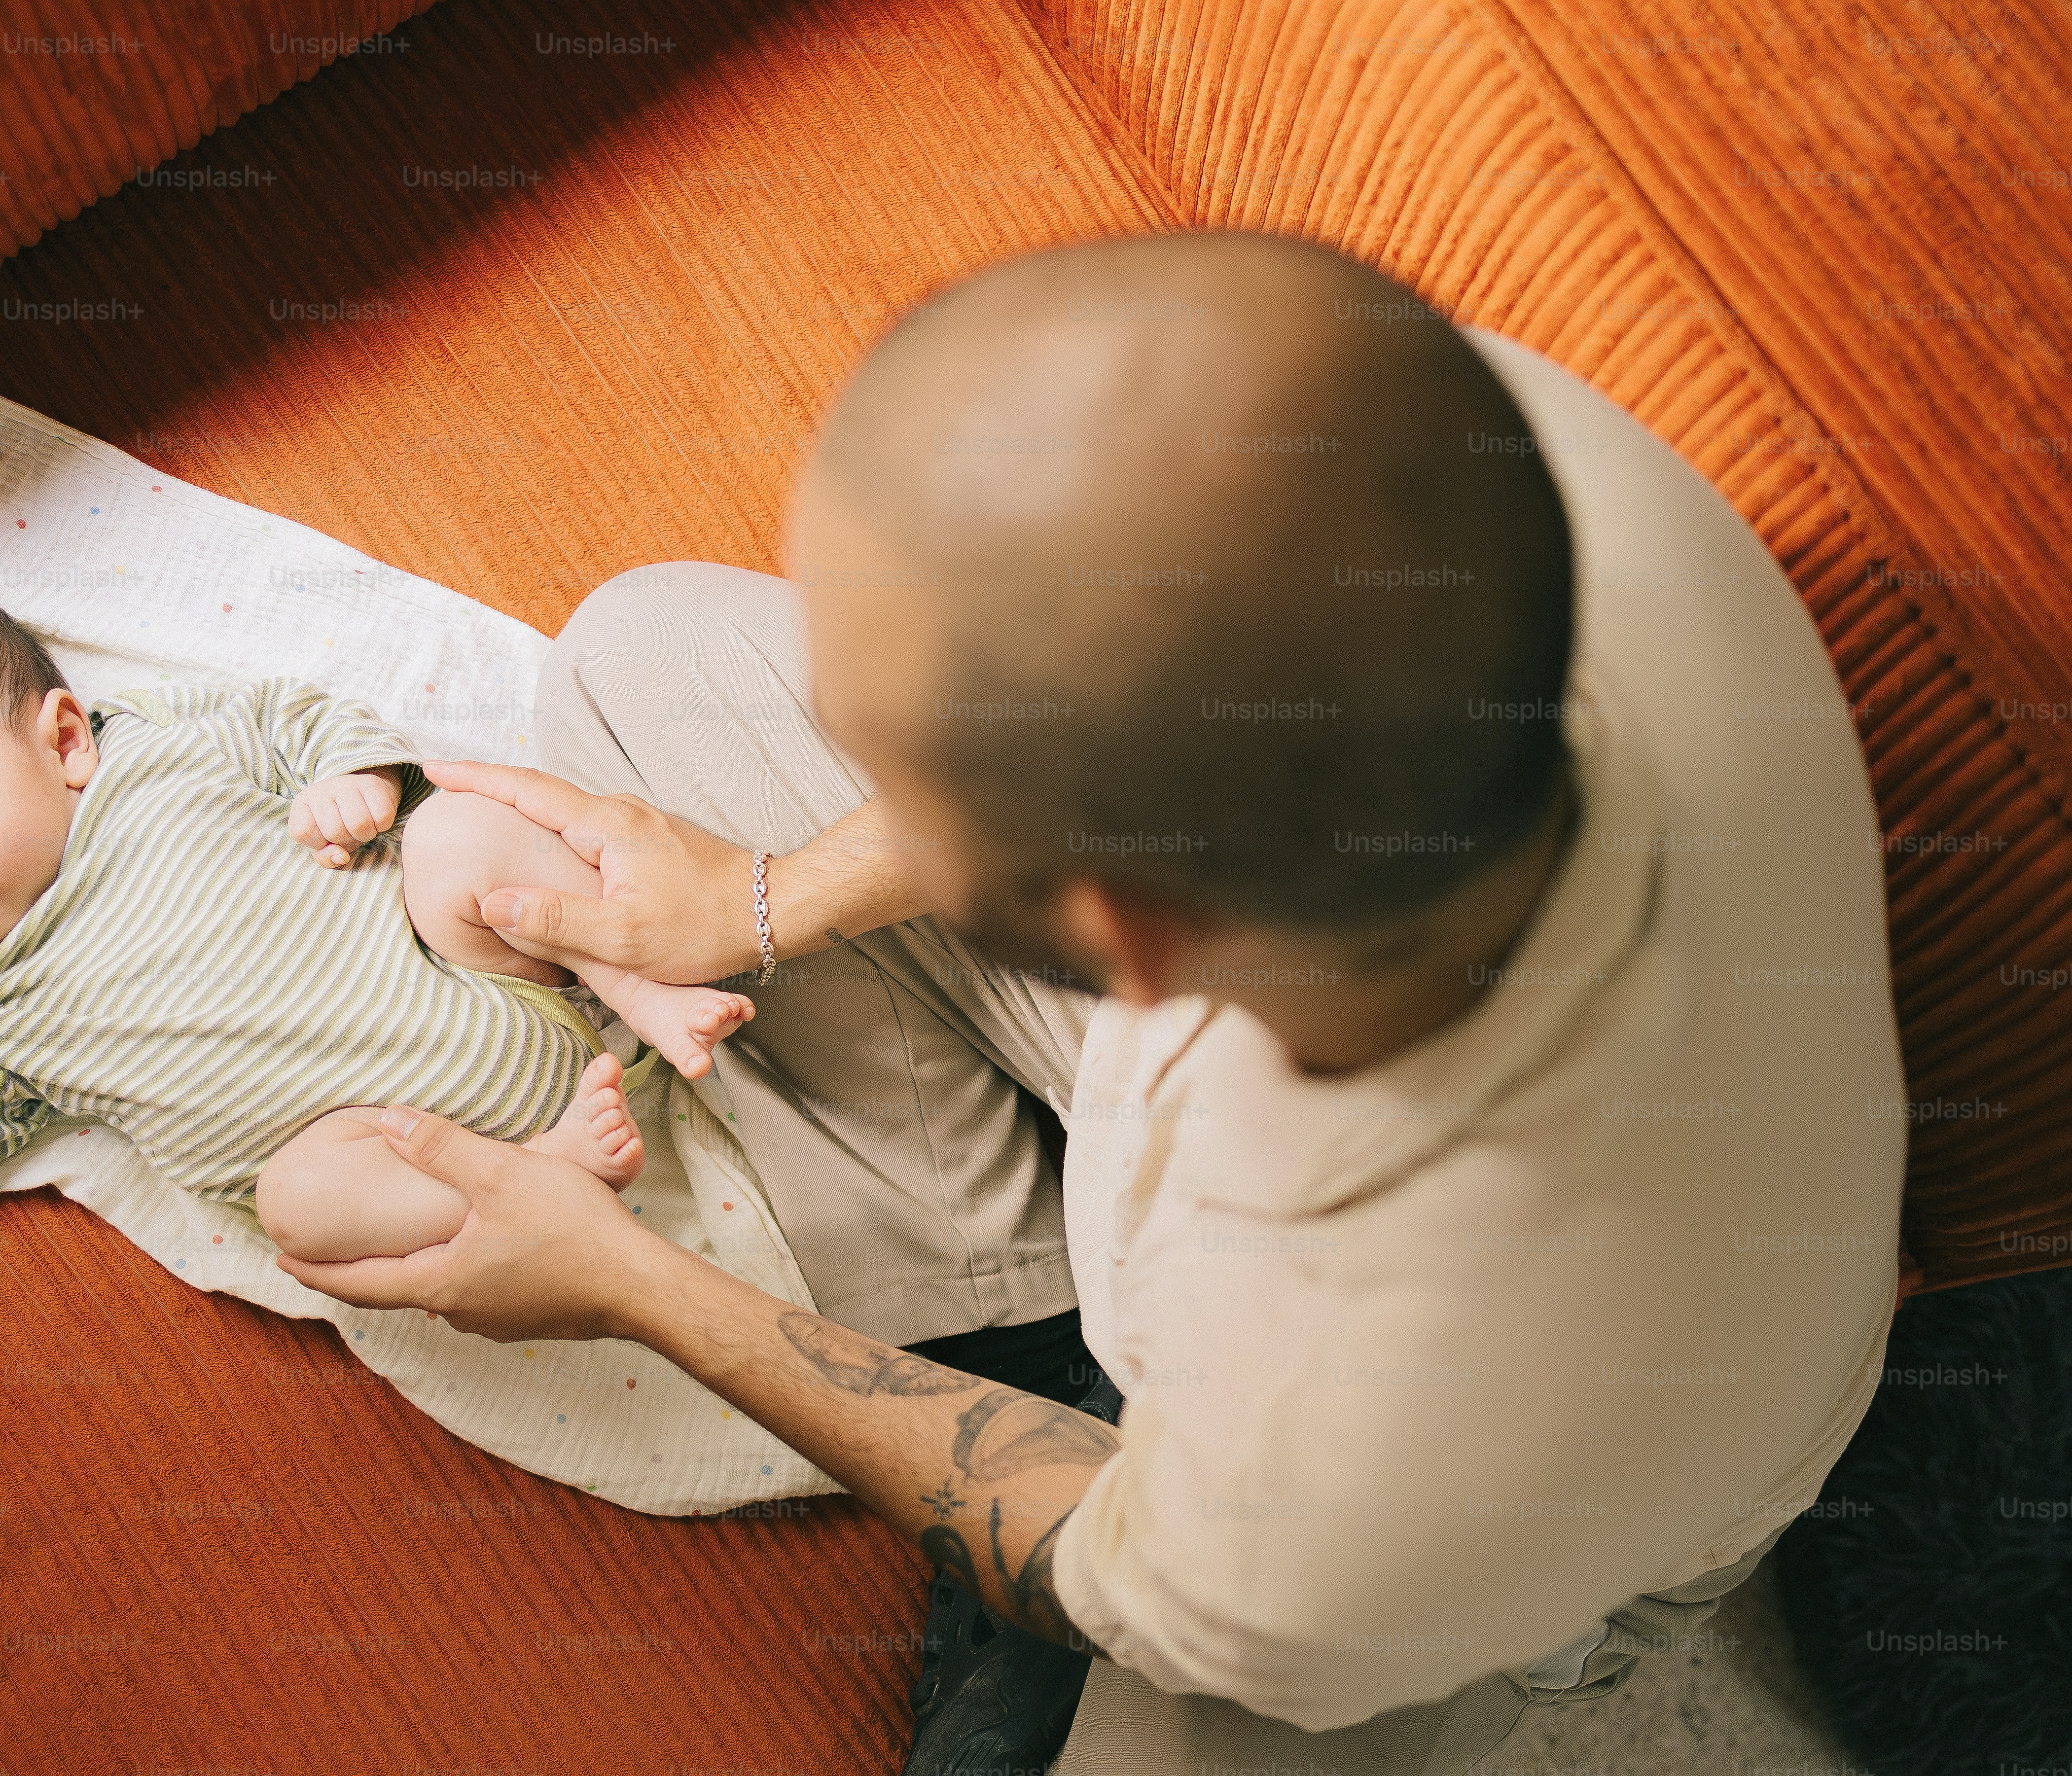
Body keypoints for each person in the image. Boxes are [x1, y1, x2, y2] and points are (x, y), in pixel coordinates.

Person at [278, 230, 1906, 1774]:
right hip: (1281, 1046)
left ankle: (1049, 1380)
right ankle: (1017, 1321)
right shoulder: (1500, 456)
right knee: (647, 654)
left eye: (899, 767)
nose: (851, 774)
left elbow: (1114, 1562)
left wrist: (629, 1283)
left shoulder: (1395, 1459)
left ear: (1112, 909)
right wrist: (757, 897)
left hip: (1433, 1560)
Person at [0, 589, 757, 1258]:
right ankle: (538, 1180)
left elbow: (292, 715)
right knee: (295, 1206)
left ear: (61, 741)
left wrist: (347, 777)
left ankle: (638, 982)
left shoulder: (154, 755)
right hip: (380, 1151)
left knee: (456, 832)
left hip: (478, 982)